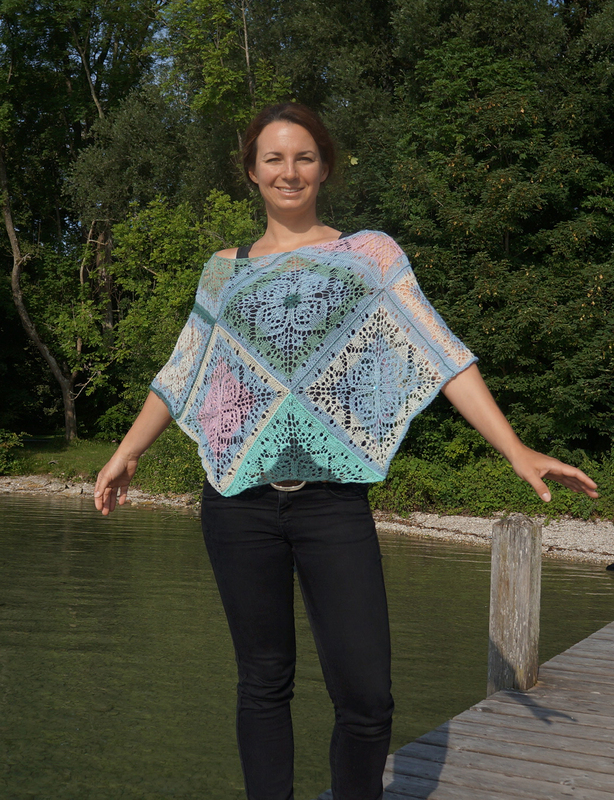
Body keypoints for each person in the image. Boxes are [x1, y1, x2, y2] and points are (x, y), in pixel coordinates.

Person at [94, 103, 598, 800]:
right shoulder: (223, 271)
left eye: (304, 157)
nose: (289, 171)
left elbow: (439, 351)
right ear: (251, 172)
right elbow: (181, 373)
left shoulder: (370, 256)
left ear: (325, 167)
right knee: (263, 682)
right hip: (237, 505)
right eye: (273, 158)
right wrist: (127, 452)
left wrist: (515, 449)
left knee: (367, 697)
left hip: (332, 503)